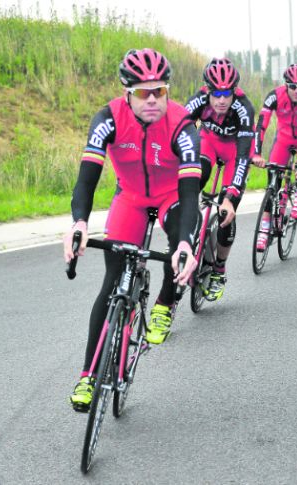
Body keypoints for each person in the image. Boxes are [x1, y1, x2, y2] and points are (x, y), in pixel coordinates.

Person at [63, 48, 200, 411]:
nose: (152, 99)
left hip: (172, 196)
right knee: (111, 282)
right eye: (143, 92)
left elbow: (190, 194)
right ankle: (88, 376)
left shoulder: (183, 125)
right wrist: (79, 223)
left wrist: (185, 242)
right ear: (127, 92)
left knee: (180, 245)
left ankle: (164, 305)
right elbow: (87, 179)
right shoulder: (107, 118)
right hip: (131, 198)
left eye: (160, 91)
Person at [181, 58, 256, 299]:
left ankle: (219, 268)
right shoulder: (198, 100)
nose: (222, 100)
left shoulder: (244, 108)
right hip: (208, 144)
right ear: (207, 90)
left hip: (235, 153)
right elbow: (178, 131)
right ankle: (184, 232)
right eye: (216, 93)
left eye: (227, 93)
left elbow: (244, 156)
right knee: (193, 178)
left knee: (226, 214)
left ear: (234, 91)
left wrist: (231, 196)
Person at [251, 63, 297, 251]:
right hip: (283, 140)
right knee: (272, 181)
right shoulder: (274, 96)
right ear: (286, 85)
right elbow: (261, 126)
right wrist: (256, 153)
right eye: (293, 86)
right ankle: (265, 227)